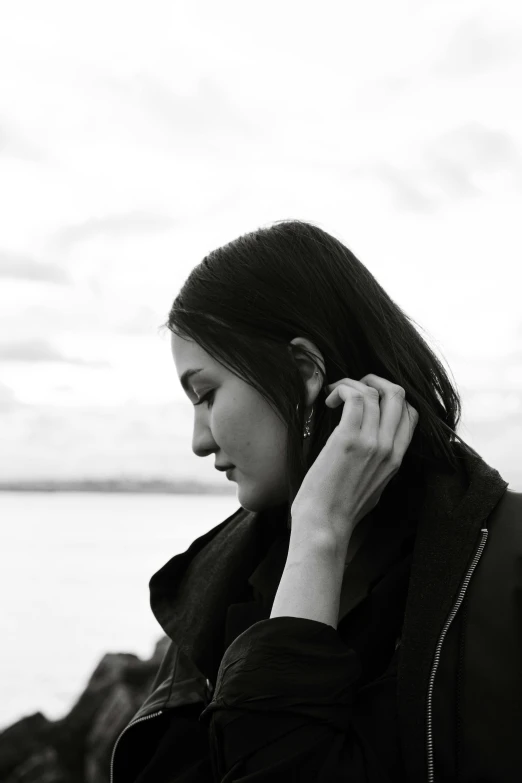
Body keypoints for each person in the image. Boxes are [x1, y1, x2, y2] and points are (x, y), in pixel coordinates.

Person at [110, 219, 521, 782]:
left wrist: (320, 533)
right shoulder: (218, 588)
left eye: (206, 395)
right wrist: (314, 537)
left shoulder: (509, 563)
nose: (199, 440)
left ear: (303, 370)